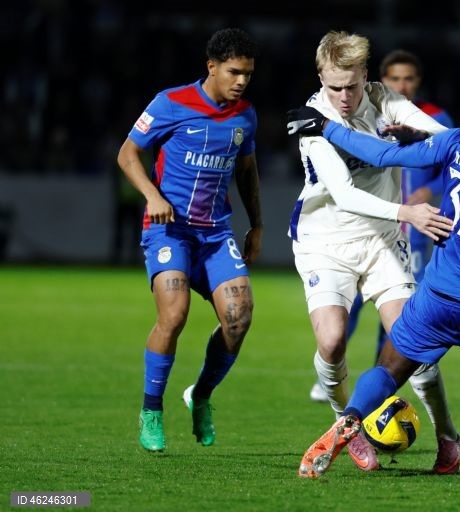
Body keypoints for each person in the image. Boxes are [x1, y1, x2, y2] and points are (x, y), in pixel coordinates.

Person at [287, 75, 460, 477]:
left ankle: (348, 420)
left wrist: (326, 127)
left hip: (435, 295)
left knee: (389, 368)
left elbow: (383, 156)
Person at [288, 30, 460, 474]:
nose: (344, 98)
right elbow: (344, 193)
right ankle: (346, 427)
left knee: (414, 345)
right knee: (331, 342)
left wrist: (414, 136)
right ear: (321, 77)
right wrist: (409, 210)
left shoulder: (383, 98)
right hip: (325, 242)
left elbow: (445, 136)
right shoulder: (312, 121)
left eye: (351, 86)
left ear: (366, 76)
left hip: (382, 241)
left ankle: (448, 437)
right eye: (334, 87)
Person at [116, 28, 263, 452]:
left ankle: (200, 395)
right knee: (175, 314)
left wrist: (257, 225)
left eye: (248, 74)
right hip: (169, 229)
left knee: (238, 319)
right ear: (211, 66)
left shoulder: (245, 114)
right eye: (234, 72)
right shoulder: (170, 103)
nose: (241, 81)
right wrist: (152, 195)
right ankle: (151, 411)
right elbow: (127, 153)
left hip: (216, 233)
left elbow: (247, 171)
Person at [310, 49, 455, 401]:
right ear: (381, 80)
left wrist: (429, 191)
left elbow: (455, 160)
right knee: (345, 319)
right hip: (364, 227)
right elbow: (361, 173)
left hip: (413, 229)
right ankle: (353, 381)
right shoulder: (320, 117)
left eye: (408, 79)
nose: (401, 85)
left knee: (402, 320)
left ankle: (384, 379)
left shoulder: (431, 117)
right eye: (394, 79)